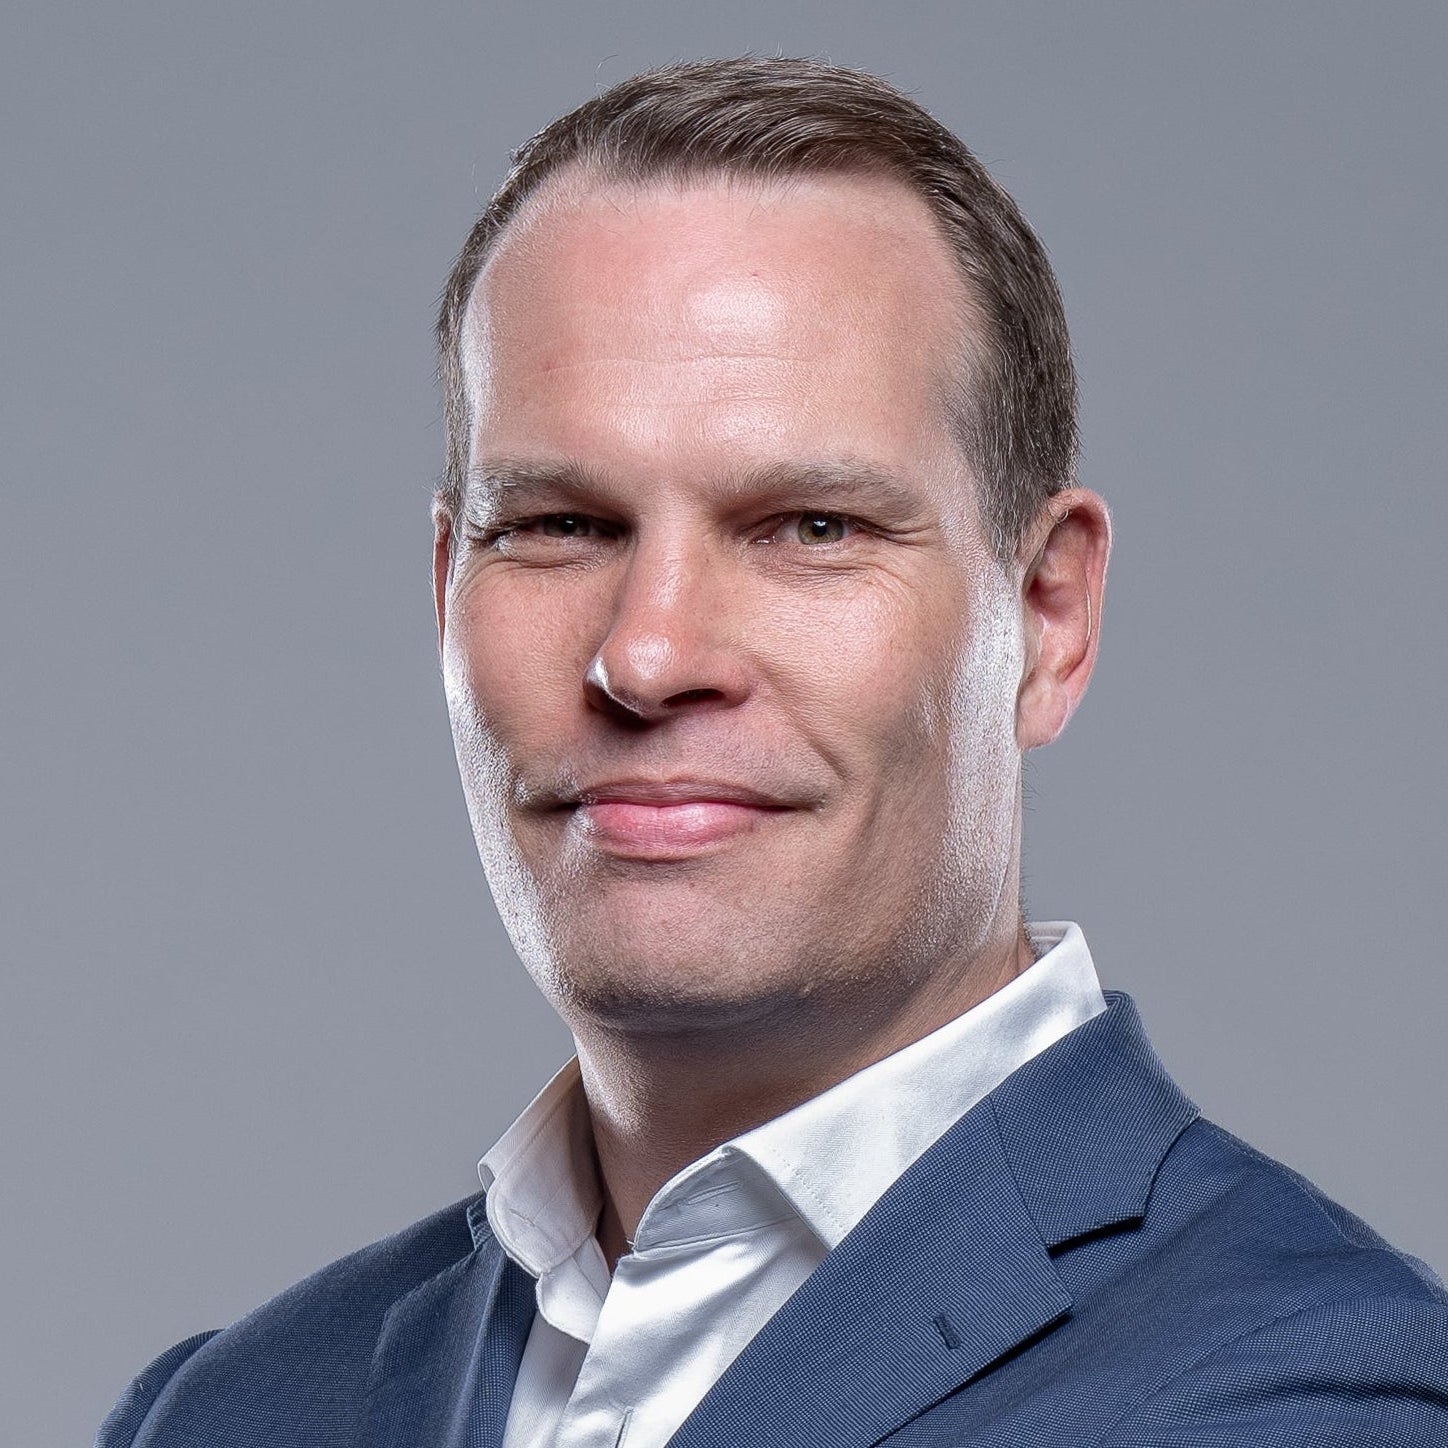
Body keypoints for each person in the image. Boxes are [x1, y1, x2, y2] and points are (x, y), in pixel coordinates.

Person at [97, 56, 1448, 1448]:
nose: (650, 654)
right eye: (558, 524)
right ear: (446, 591)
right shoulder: (226, 1410)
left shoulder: (1317, 1395)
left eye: (811, 527)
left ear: (1046, 617)